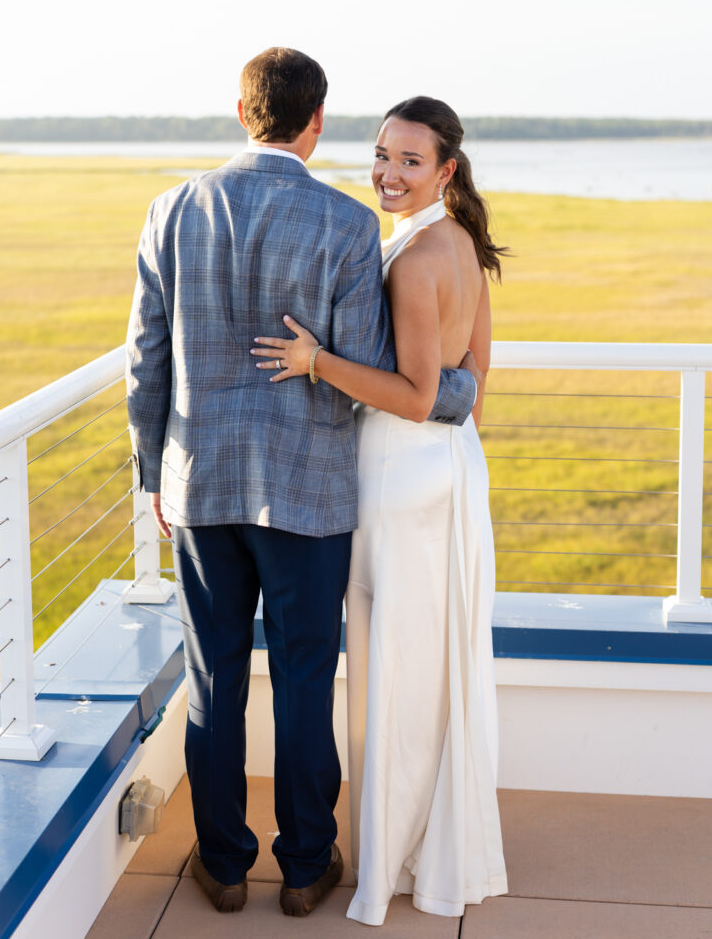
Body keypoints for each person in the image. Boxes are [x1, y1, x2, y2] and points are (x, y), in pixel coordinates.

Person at [125, 52, 478, 919]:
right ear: (316, 120)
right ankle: (308, 865)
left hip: (199, 486)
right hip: (311, 493)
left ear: (241, 112)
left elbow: (146, 363)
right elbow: (368, 365)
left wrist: (154, 479)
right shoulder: (347, 223)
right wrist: (461, 391)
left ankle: (224, 864)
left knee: (215, 681)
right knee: (305, 679)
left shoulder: (171, 209)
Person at [251, 96, 509, 924]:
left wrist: (316, 360)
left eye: (408, 161)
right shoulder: (463, 245)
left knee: (394, 676)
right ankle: (427, 842)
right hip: (452, 472)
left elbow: (417, 393)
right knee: (432, 672)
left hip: (401, 486)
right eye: (382, 156)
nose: (388, 174)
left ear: (445, 170)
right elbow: (473, 388)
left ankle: (397, 857)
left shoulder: (413, 260)